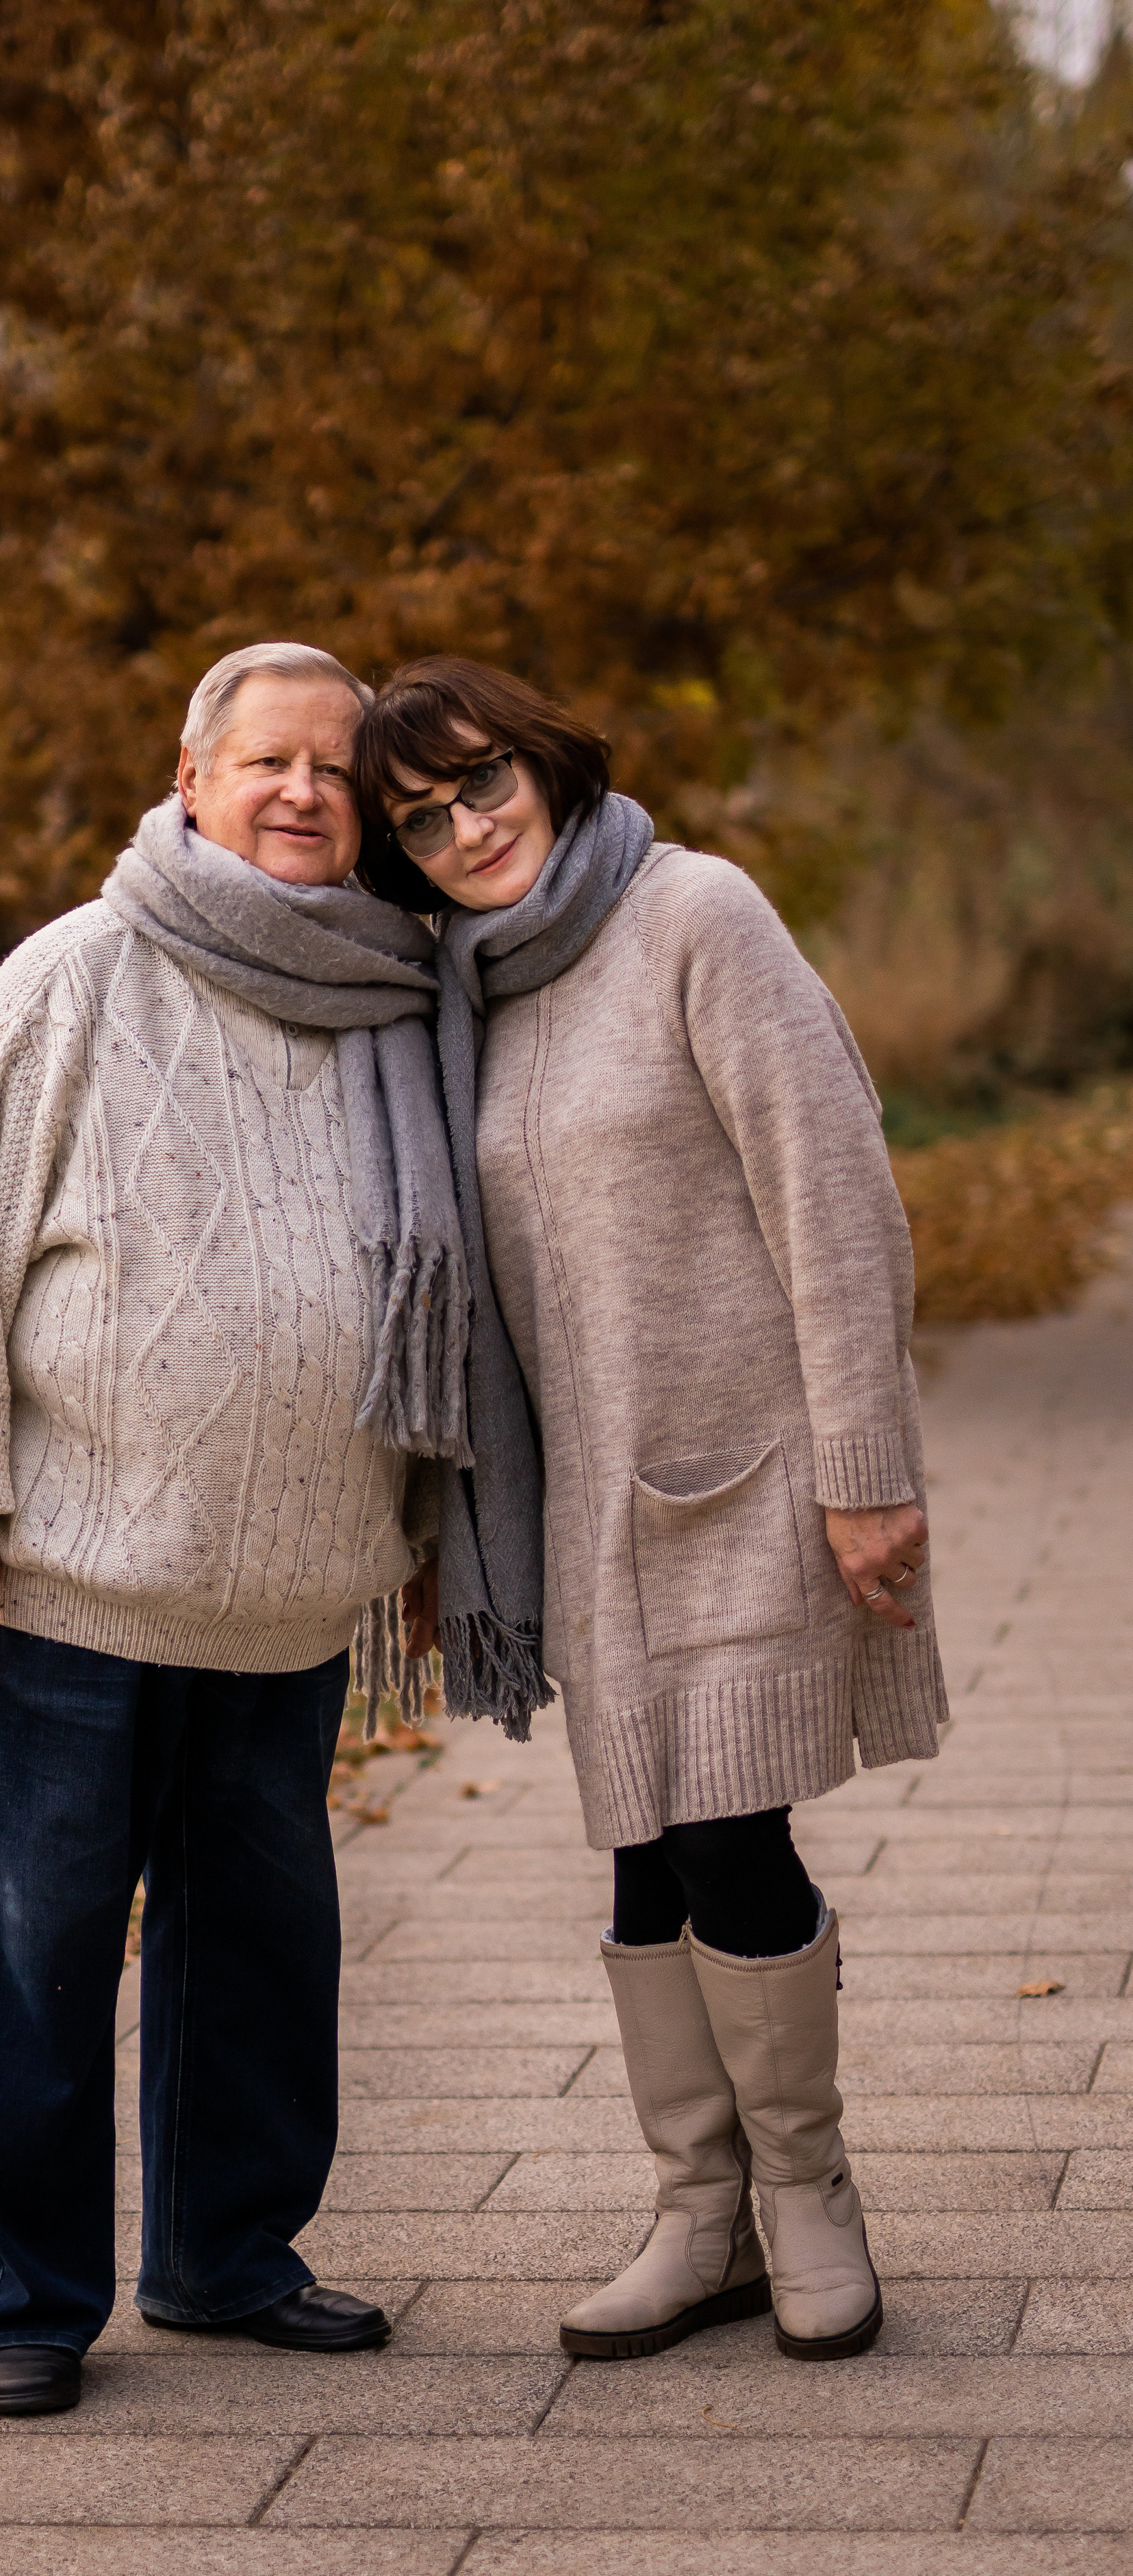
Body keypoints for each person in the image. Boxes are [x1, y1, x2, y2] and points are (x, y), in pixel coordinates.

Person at [0, 642, 463, 2417]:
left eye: (336, 774)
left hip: (291, 1590)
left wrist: (423, 1526)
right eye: (268, 762)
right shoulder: (75, 977)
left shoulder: (392, 995)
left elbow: (434, 1293)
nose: (303, 794)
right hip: (75, 1584)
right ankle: (26, 2303)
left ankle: (229, 2257)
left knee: (261, 1952)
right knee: (40, 1947)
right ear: (190, 776)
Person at [357, 656, 945, 2366]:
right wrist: (428, 1526)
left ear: (538, 761)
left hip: (738, 1472)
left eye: (478, 785)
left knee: (718, 1827)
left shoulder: (694, 913)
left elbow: (834, 1197)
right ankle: (701, 2220)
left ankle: (807, 2199)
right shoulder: (467, 990)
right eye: (418, 819)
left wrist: (865, 1472)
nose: (462, 830)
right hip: (572, 1511)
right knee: (637, 1841)